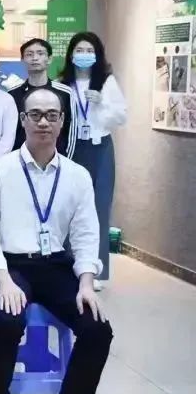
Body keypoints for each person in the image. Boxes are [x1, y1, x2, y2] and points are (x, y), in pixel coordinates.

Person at [0, 87, 113, 394]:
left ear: (62, 122)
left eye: (52, 115)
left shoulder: (77, 176)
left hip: (54, 265)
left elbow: (86, 233)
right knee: (8, 320)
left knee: (98, 329)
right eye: (35, 114)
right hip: (9, 264)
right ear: (23, 120)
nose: (43, 122)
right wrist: (3, 280)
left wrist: (86, 282)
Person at [60, 32, 127, 287]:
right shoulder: (64, 84)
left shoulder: (106, 82)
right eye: (80, 50)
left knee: (99, 208)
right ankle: (67, 267)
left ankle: (95, 271)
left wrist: (101, 104)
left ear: (97, 55)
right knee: (68, 208)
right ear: (71, 54)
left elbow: (121, 116)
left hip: (100, 148)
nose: (84, 55)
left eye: (90, 51)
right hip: (73, 148)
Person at [9, 38, 76, 156]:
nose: (35, 58)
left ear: (49, 59)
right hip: (20, 159)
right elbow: (10, 133)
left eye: (40, 53)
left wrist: (66, 161)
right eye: (29, 54)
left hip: (56, 159)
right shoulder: (12, 94)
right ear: (22, 60)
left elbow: (71, 132)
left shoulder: (65, 93)